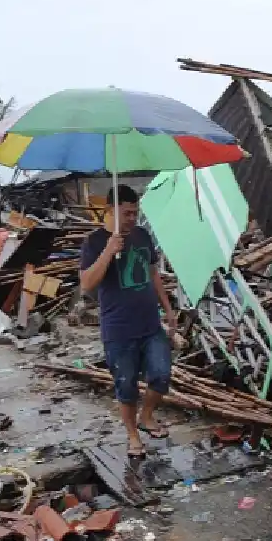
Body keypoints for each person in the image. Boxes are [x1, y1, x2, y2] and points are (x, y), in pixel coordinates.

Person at [79, 185, 176, 458]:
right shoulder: (95, 241)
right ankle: (133, 434)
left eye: (136, 212)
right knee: (126, 384)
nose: (133, 218)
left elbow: (153, 272)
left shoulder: (142, 235)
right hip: (119, 329)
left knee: (161, 374)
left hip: (150, 324)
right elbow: (87, 284)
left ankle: (147, 416)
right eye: (127, 213)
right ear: (111, 210)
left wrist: (167, 308)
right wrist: (109, 250)